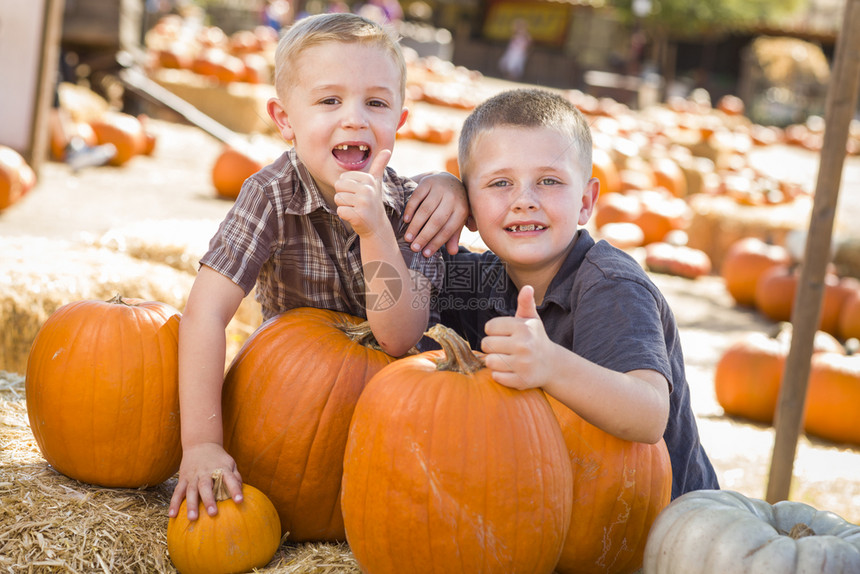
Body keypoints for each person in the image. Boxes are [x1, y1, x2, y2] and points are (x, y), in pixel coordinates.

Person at [168, 13, 469, 520]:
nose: (354, 118)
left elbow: (398, 338)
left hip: (391, 418)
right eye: (330, 100)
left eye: (375, 103)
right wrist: (200, 444)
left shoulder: (413, 209)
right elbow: (205, 314)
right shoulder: (269, 195)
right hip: (288, 407)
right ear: (285, 119)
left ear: (399, 118)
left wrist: (376, 230)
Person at [437, 88, 719, 499]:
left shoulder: (610, 285)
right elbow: (395, 288)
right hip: (558, 507)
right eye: (500, 183)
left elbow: (649, 414)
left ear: (586, 201)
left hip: (657, 526)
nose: (524, 201)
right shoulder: (477, 280)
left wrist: (550, 365)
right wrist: (436, 188)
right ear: (470, 210)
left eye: (549, 181)